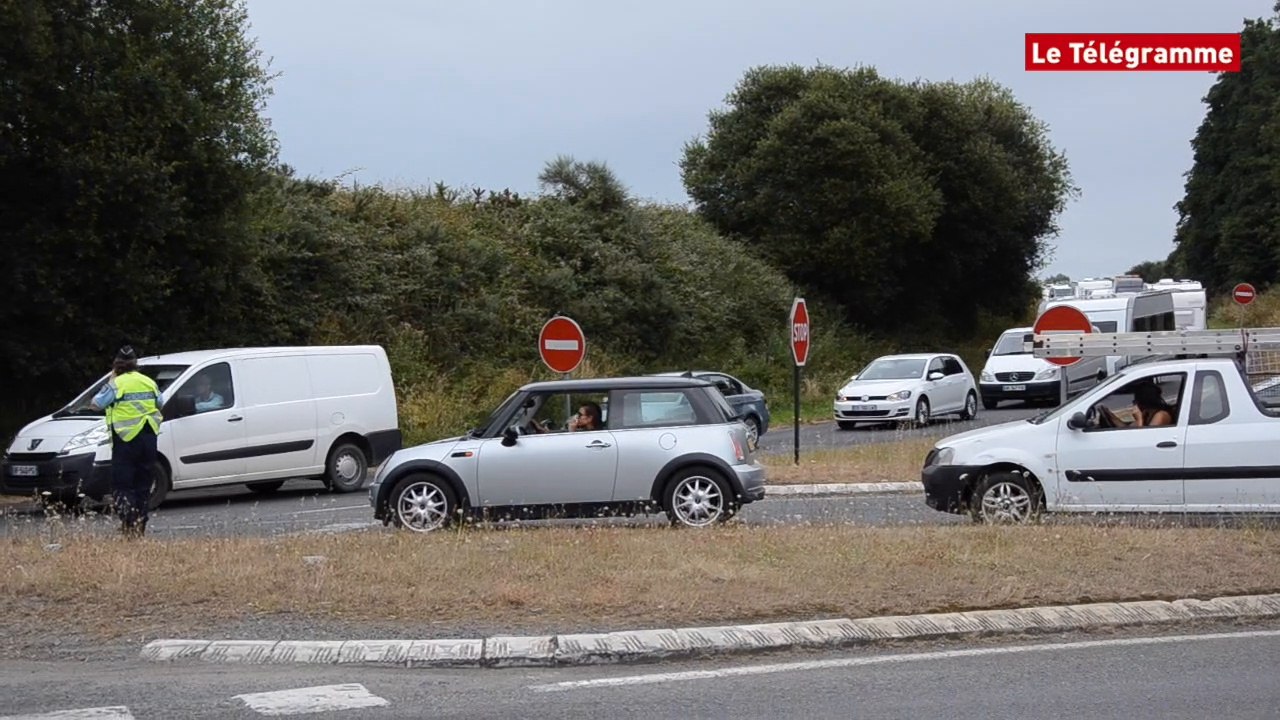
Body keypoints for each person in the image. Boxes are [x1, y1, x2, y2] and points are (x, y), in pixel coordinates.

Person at [90, 345, 164, 537]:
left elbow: (96, 404)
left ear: (116, 365)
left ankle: (128, 524)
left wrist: (111, 379)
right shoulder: (149, 382)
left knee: (122, 484)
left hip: (126, 439)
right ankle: (140, 525)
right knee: (143, 483)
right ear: (136, 364)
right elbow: (160, 403)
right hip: (149, 438)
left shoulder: (117, 383)